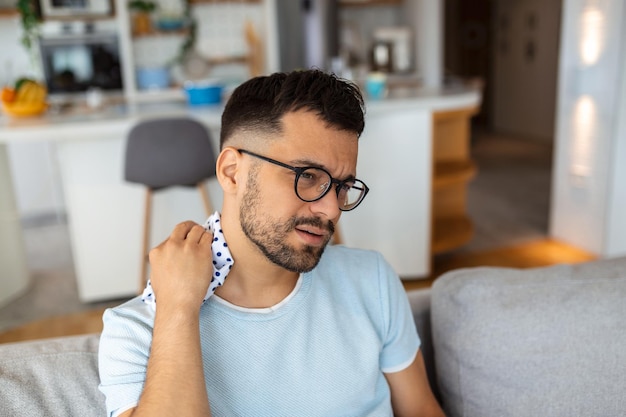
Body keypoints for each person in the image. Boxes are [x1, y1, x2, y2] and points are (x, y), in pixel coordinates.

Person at [98, 69, 444, 417]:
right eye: (307, 176)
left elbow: (421, 410)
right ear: (232, 171)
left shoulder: (373, 279)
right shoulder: (137, 330)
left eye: (341, 186)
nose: (332, 209)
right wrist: (178, 311)